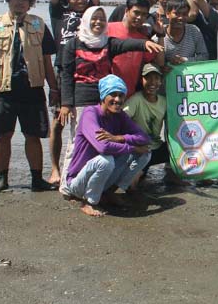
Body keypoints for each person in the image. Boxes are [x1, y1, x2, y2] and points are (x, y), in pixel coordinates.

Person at [58, 6, 164, 184]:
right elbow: (67, 75)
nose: (98, 22)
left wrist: (144, 43)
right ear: (86, 20)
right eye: (94, 18)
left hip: (104, 100)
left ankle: (97, 183)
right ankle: (68, 183)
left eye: (101, 19)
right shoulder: (73, 45)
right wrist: (66, 103)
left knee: (102, 140)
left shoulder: (108, 43)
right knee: (77, 143)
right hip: (82, 99)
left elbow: (125, 44)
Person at [0, 0, 59, 193]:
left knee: (33, 135)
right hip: (2, 90)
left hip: (32, 89)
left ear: (31, 3)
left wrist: (54, 89)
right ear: (8, 0)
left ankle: (36, 179)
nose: (20, 2)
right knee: (3, 135)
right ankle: (1, 178)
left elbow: (47, 62)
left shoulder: (39, 25)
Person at [47, 0, 102, 185]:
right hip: (63, 69)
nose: (80, 0)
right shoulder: (59, 12)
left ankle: (84, 160)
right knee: (59, 119)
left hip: (88, 69)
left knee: (87, 118)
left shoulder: (91, 12)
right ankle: (55, 169)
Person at [61, 75, 152, 217]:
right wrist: (132, 147)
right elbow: (102, 147)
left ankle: (108, 192)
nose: (118, 100)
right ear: (103, 96)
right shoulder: (90, 113)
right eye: (113, 95)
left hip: (102, 175)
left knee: (145, 154)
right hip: (78, 181)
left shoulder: (119, 115)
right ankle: (89, 201)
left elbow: (144, 138)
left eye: (121, 96)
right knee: (106, 160)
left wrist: (119, 138)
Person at [124, 64, 179, 185]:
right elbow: (122, 118)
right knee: (132, 186)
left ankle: (174, 175)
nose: (152, 82)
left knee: (178, 148)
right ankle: (135, 173)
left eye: (156, 78)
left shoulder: (164, 101)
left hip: (155, 147)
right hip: (139, 150)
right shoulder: (136, 99)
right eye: (148, 78)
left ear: (161, 81)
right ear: (142, 80)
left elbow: (174, 124)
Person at [107, 0, 165, 97]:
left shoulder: (144, 39)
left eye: (144, 15)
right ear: (126, 11)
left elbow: (160, 62)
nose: (139, 18)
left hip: (129, 95)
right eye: (136, 13)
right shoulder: (108, 29)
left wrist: (160, 35)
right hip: (106, 93)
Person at [162, 0, 208, 64]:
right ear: (167, 14)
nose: (181, 17)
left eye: (184, 14)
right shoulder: (160, 35)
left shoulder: (194, 30)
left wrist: (184, 60)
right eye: (177, 14)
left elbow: (204, 56)